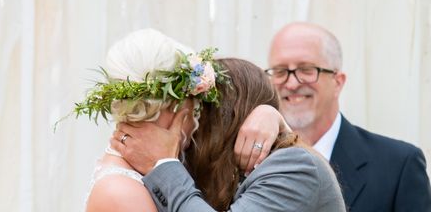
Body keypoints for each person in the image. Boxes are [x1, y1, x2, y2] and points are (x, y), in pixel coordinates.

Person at [76, 28, 282, 212]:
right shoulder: (122, 194)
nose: (199, 121)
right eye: (198, 105)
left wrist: (269, 114)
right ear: (178, 105)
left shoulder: (168, 165)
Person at [112, 57, 346, 212]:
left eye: (197, 114)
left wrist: (162, 164)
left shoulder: (294, 166)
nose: (191, 126)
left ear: (223, 115)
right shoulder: (221, 169)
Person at [266, 22, 431, 212]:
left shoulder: (399, 165)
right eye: (280, 71)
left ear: (338, 82)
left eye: (306, 69)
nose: (291, 83)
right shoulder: (254, 160)